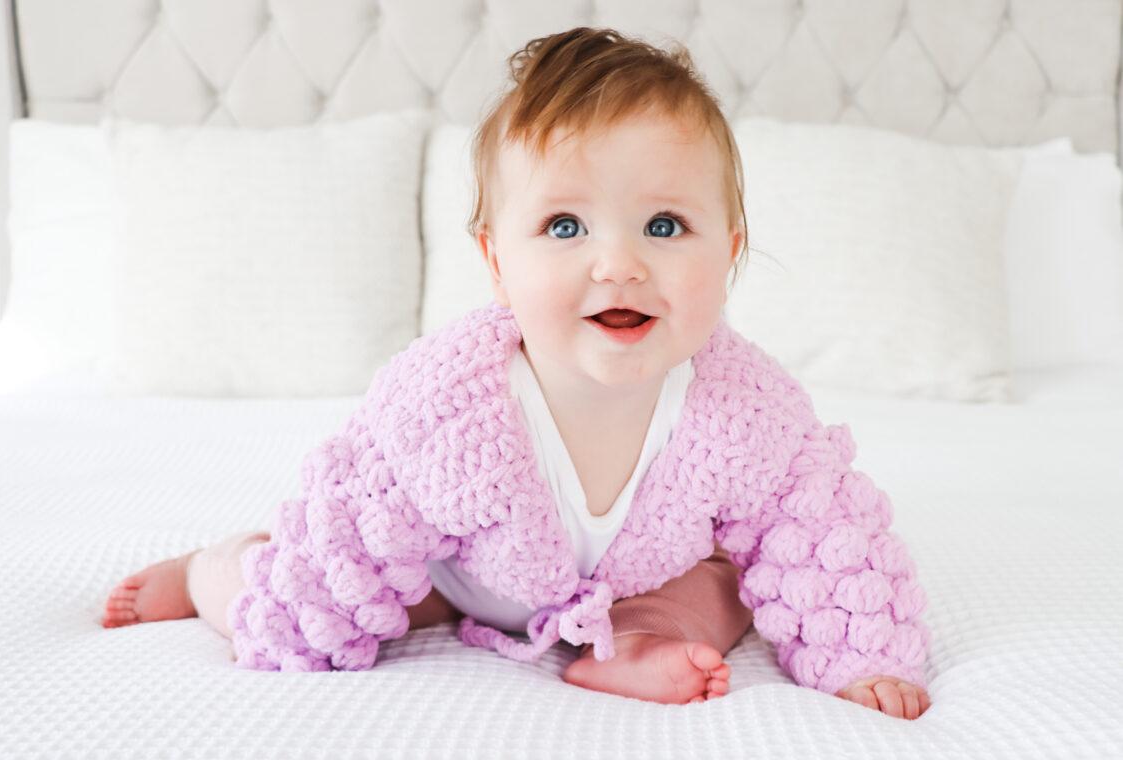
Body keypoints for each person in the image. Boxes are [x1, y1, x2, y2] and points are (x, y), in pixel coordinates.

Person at [102, 26, 931, 719]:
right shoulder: (446, 409)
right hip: (463, 572)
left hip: (640, 575)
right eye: (565, 225)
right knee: (341, 599)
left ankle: (630, 643)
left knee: (730, 586)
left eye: (666, 224)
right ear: (498, 263)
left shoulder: (749, 410)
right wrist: (293, 605)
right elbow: (348, 546)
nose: (619, 263)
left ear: (730, 255)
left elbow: (824, 534)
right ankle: (209, 568)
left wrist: (859, 657)